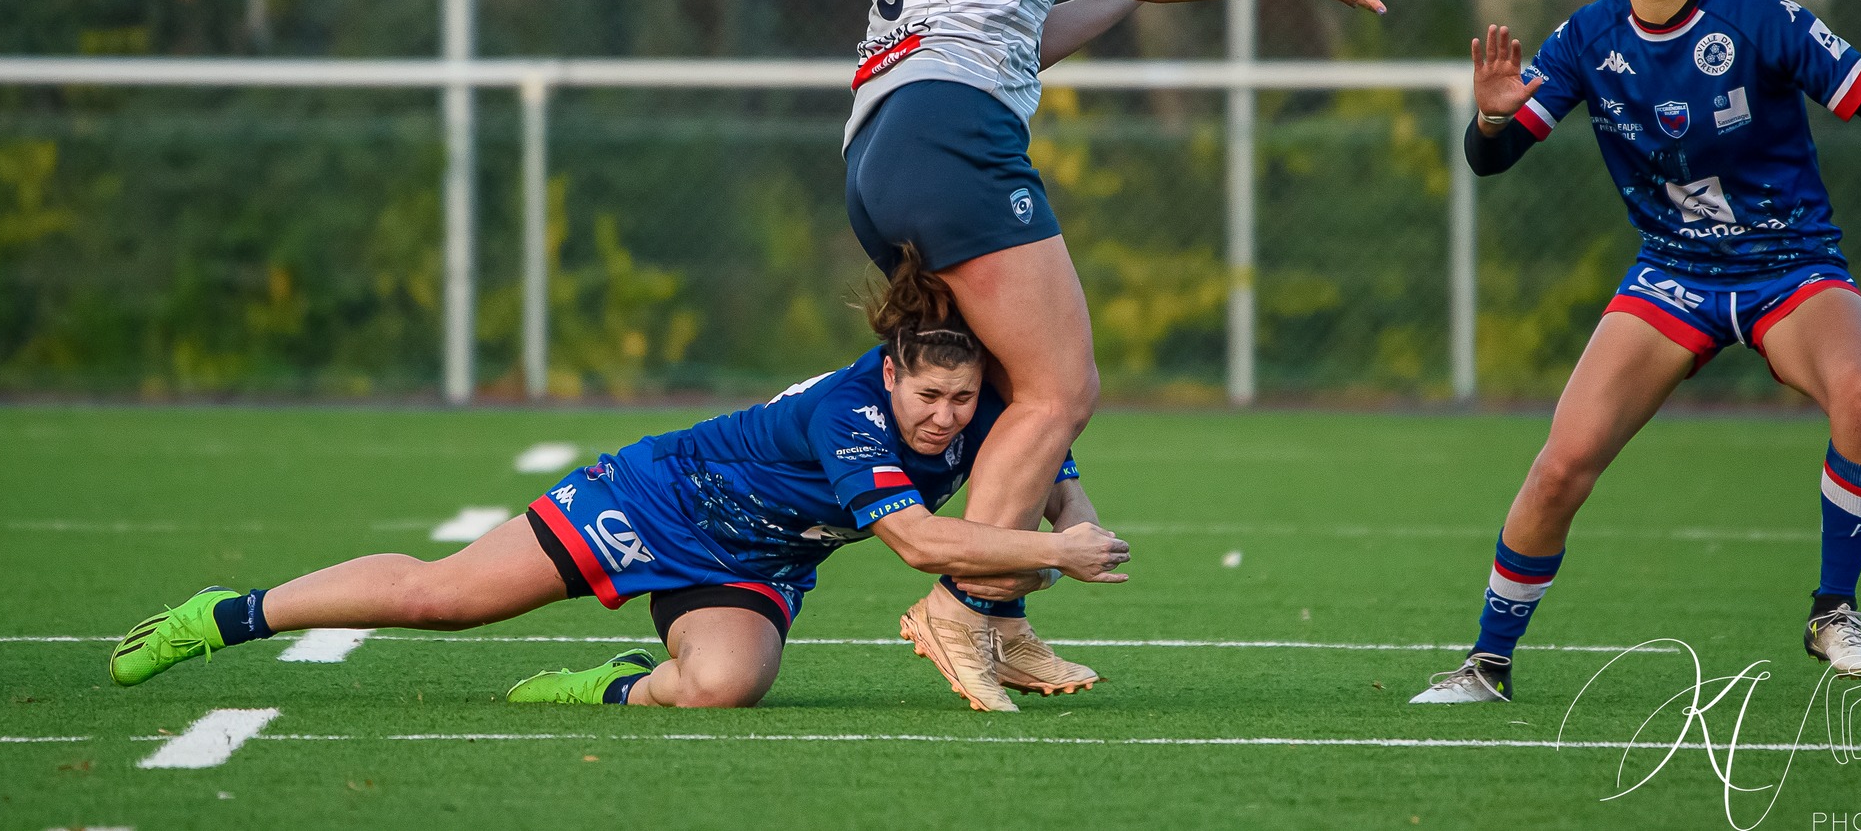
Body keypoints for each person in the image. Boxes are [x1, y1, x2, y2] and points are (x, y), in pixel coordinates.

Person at [848, 0, 1390, 708]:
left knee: (1016, 388)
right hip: (952, 141)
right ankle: (960, 606)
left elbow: (1022, 36)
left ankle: (1003, 626)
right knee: (1060, 389)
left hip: (879, 149)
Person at [1408, 0, 1861, 705]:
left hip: (1791, 266)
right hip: (1674, 274)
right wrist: (1488, 116)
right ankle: (1487, 663)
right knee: (1562, 462)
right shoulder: (1587, 39)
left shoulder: (1755, 15)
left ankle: (1835, 612)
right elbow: (1493, 159)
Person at [107, 251, 1130, 712]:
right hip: (653, 501)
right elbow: (916, 545)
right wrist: (1055, 555)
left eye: (962, 399)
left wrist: (1071, 513)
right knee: (444, 598)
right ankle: (231, 612)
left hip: (759, 557)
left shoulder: (985, 400)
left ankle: (610, 683)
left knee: (724, 687)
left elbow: (1048, 468)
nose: (946, 416)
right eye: (929, 396)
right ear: (890, 368)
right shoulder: (849, 411)